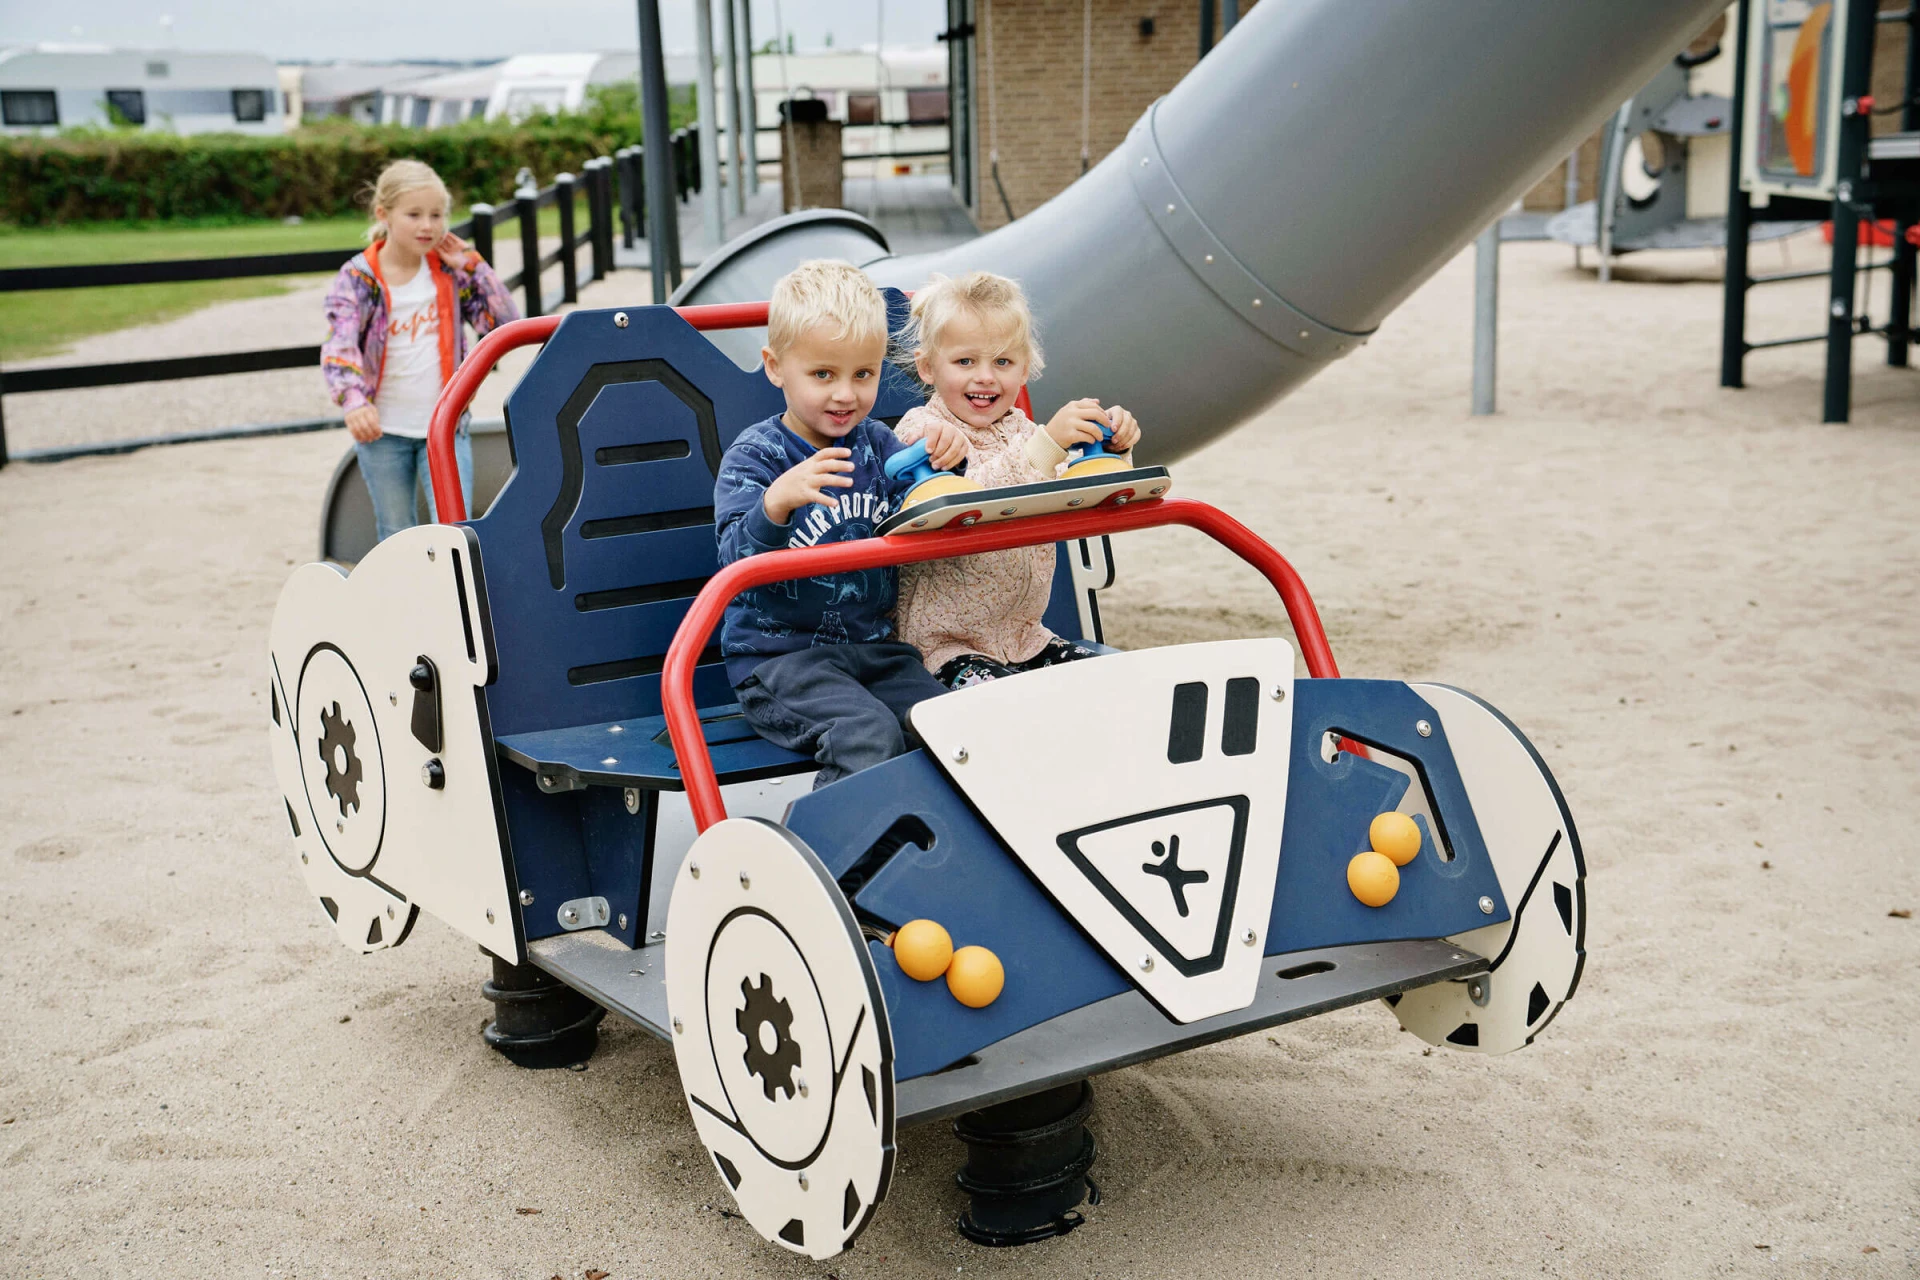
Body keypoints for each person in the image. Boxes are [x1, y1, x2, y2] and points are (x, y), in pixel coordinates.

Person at [713, 260, 970, 787]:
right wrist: (775, 505)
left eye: (863, 374)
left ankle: (931, 856)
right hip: (783, 662)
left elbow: (924, 508)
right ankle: (833, 865)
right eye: (823, 374)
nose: (845, 395)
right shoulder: (757, 457)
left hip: (876, 651)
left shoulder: (877, 443)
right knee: (866, 736)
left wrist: (947, 463)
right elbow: (733, 561)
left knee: (952, 729)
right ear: (775, 366)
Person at [892, 270, 1143, 688]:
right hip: (944, 650)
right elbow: (966, 501)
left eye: (1003, 362)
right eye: (965, 361)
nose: (986, 377)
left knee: (1114, 682)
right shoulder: (923, 433)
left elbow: (1084, 493)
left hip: (1026, 640)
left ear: (1024, 369)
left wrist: (1112, 450)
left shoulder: (1026, 432)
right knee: (1010, 706)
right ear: (927, 367)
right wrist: (1048, 443)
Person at [322, 159, 518, 542]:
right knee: (395, 532)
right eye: (414, 214)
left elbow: (503, 322)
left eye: (436, 215)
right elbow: (339, 345)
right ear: (384, 214)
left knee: (455, 531)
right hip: (383, 431)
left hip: (445, 426)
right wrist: (353, 399)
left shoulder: (452, 273)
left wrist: (473, 265)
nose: (428, 226)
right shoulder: (358, 279)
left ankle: (455, 602)